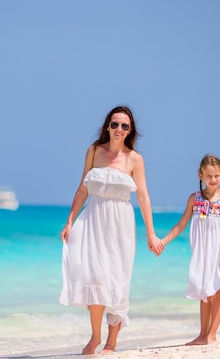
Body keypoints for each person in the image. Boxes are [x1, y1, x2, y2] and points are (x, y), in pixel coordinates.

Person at [59, 105, 164, 355]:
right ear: (107, 126)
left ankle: (111, 342)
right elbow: (83, 188)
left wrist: (151, 233)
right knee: (95, 276)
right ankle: (95, 337)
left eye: (124, 126)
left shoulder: (134, 159)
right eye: (115, 124)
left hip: (120, 223)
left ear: (130, 130)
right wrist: (70, 220)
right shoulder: (94, 151)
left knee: (117, 280)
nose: (119, 129)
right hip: (93, 217)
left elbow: (144, 197)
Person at [160, 154, 220, 345]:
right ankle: (202, 334)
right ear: (201, 176)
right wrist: (163, 241)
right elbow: (181, 224)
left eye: (216, 176)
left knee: (217, 290)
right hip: (203, 252)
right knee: (204, 291)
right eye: (209, 176)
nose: (213, 180)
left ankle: (212, 334)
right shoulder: (195, 199)